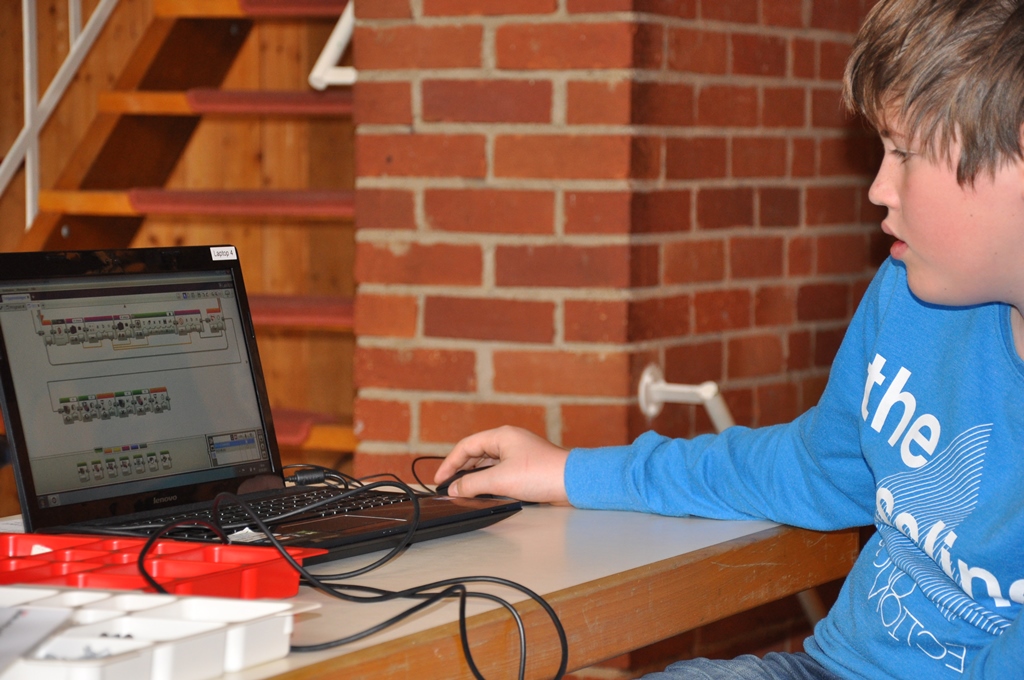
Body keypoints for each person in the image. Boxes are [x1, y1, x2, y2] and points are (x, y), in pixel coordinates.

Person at [433, 0, 1024, 677]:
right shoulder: (911, 289)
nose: (878, 189)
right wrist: (569, 471)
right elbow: (813, 468)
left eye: (905, 153)